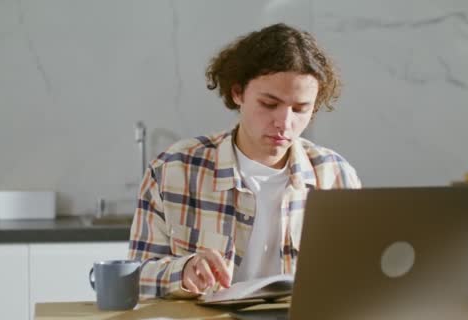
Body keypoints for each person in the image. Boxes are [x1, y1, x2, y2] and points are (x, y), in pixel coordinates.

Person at [128, 23, 361, 300]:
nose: (284, 123)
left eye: (300, 109)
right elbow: (134, 279)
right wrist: (184, 270)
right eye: (269, 104)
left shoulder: (335, 175)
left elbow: (359, 276)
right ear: (238, 93)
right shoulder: (173, 170)